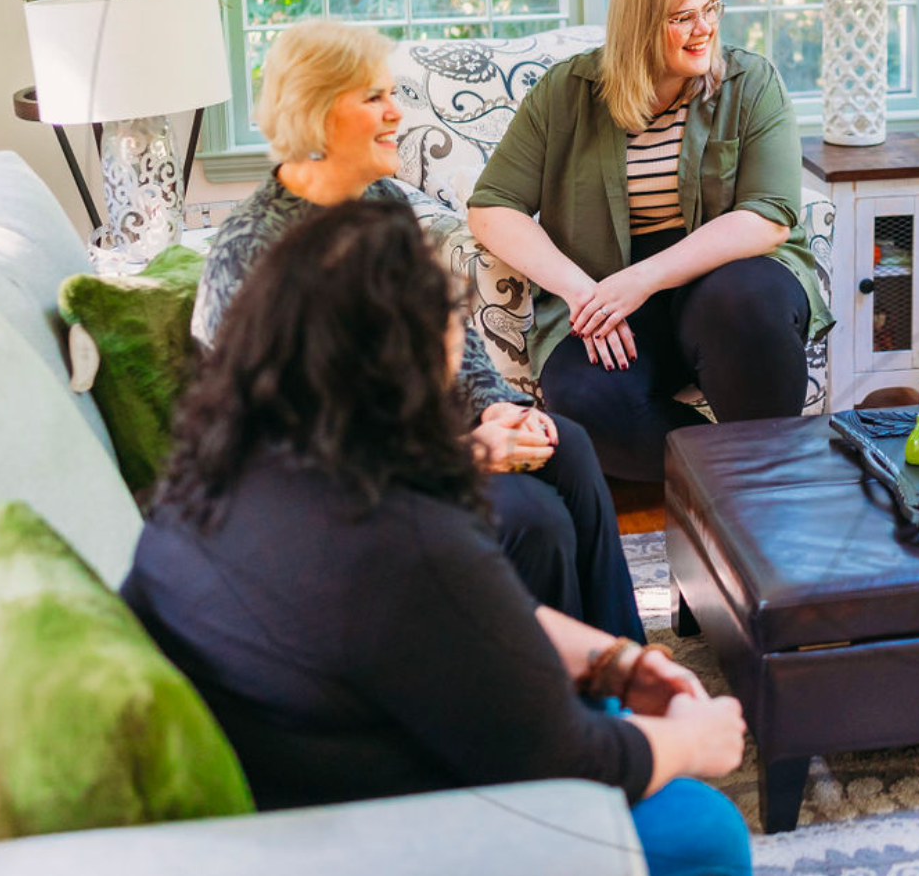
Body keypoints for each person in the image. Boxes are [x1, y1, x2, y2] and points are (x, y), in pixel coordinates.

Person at [127, 202, 752, 876]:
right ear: (410, 365)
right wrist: (693, 743)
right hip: (372, 819)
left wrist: (611, 658)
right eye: (453, 325)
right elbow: (568, 757)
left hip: (299, 756)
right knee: (705, 828)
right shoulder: (406, 538)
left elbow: (455, 621)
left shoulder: (217, 475)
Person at [194, 20, 641, 642]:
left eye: (392, 95)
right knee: (533, 520)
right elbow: (283, 455)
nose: (396, 114)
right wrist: (460, 456)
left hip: (414, 437)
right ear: (317, 113)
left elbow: (446, 330)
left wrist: (495, 409)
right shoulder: (254, 252)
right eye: (373, 98)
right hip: (341, 490)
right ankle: (555, 709)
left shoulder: (380, 199)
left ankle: (622, 667)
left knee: (564, 445)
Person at [468, 0, 830, 483]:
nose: (703, 29)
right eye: (682, 18)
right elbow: (493, 206)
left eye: (710, 9)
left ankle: (764, 487)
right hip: (608, 292)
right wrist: (582, 293)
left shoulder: (750, 82)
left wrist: (640, 280)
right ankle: (745, 478)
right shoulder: (566, 93)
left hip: (725, 274)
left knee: (743, 304)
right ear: (638, 27)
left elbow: (770, 214)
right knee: (583, 398)